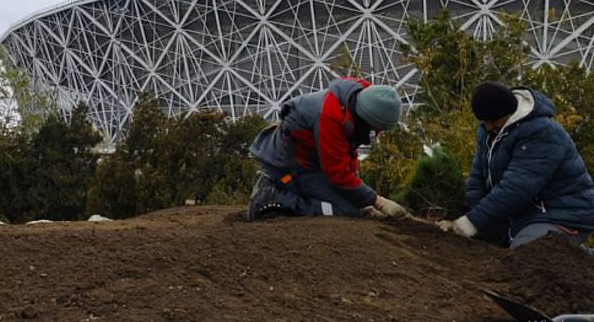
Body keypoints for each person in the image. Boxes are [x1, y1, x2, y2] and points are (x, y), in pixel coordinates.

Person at [444, 81, 594, 248]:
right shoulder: (489, 131)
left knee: (528, 255)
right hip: (519, 215)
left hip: (563, 213)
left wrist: (472, 222)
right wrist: (471, 215)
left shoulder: (542, 133)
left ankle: (584, 261)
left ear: (508, 113)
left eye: (493, 120)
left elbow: (516, 187)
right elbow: (477, 177)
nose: (488, 126)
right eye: (484, 121)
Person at [247, 78, 408, 220]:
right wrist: (377, 201)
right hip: (289, 163)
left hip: (314, 158)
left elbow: (347, 151)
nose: (376, 133)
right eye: (375, 128)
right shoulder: (330, 118)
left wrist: (362, 197)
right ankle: (273, 197)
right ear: (366, 119)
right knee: (346, 211)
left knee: (357, 204)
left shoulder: (361, 97)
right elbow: (338, 174)